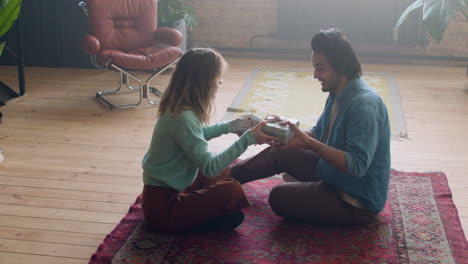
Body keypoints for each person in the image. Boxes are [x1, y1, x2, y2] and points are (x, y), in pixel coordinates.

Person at [229, 28, 391, 225]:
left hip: (354, 199)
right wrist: (283, 131)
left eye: (320, 68)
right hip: (333, 173)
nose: (315, 75)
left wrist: (307, 143)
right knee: (279, 152)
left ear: (340, 66)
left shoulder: (364, 105)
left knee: (279, 197)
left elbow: (356, 166)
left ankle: (315, 192)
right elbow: (318, 134)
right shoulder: (337, 92)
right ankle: (224, 179)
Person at [141, 48, 278, 233]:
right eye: (217, 77)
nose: (220, 82)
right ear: (203, 82)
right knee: (230, 189)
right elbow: (210, 166)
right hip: (164, 208)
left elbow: (197, 134)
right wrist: (248, 139)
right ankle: (182, 223)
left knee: (221, 176)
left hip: (160, 197)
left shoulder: (178, 111)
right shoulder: (183, 119)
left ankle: (197, 214)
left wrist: (233, 126)